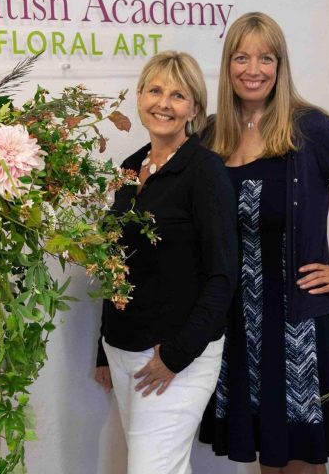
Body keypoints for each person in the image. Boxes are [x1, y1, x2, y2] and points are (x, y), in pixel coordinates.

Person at [199, 12, 329, 474]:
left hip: (297, 320)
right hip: (237, 320)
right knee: (270, 451)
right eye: (241, 57)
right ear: (227, 66)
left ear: (281, 65)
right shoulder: (212, 134)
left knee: (302, 457)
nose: (254, 69)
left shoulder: (310, 129)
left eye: (266, 57)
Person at [95, 50, 238, 474]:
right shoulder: (129, 168)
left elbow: (222, 276)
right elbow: (117, 263)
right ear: (139, 96)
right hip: (122, 347)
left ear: (194, 108)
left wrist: (176, 355)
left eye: (178, 95)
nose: (164, 103)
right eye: (155, 90)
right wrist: (103, 347)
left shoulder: (206, 172)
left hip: (174, 355)